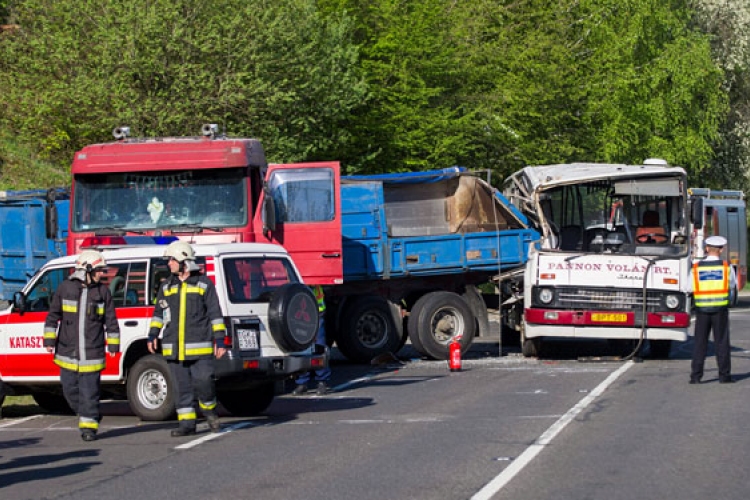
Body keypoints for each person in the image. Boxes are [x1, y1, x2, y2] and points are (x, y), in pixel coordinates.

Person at [147, 241, 227, 436]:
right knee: (181, 389)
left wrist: (220, 340)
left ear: (184, 261)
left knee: (204, 382)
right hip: (174, 348)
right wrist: (152, 335)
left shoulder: (203, 284)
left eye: (172, 260)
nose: (169, 264)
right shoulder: (167, 286)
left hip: (199, 347)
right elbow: (159, 313)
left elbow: (215, 314)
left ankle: (209, 411)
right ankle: (187, 425)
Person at [43, 250, 120, 441]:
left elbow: (111, 320)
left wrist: (113, 345)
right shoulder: (65, 289)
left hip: (92, 352)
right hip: (67, 351)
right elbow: (53, 316)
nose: (103, 274)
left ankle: (89, 427)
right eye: (100, 270)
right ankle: (88, 412)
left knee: (90, 392)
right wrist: (49, 341)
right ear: (87, 269)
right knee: (69, 390)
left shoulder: (102, 292)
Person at [689, 235, 736, 384]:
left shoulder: (696, 268)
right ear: (721, 249)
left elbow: (687, 287)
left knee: (700, 343)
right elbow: (733, 285)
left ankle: (696, 377)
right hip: (720, 310)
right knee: (721, 342)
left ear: (707, 248)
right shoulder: (726, 267)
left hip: (702, 310)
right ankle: (724, 376)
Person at [291, 285, 331, 396]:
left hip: (316, 312)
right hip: (301, 313)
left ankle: (322, 381)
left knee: (318, 347)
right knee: (302, 347)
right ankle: (302, 383)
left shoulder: (312, 275)